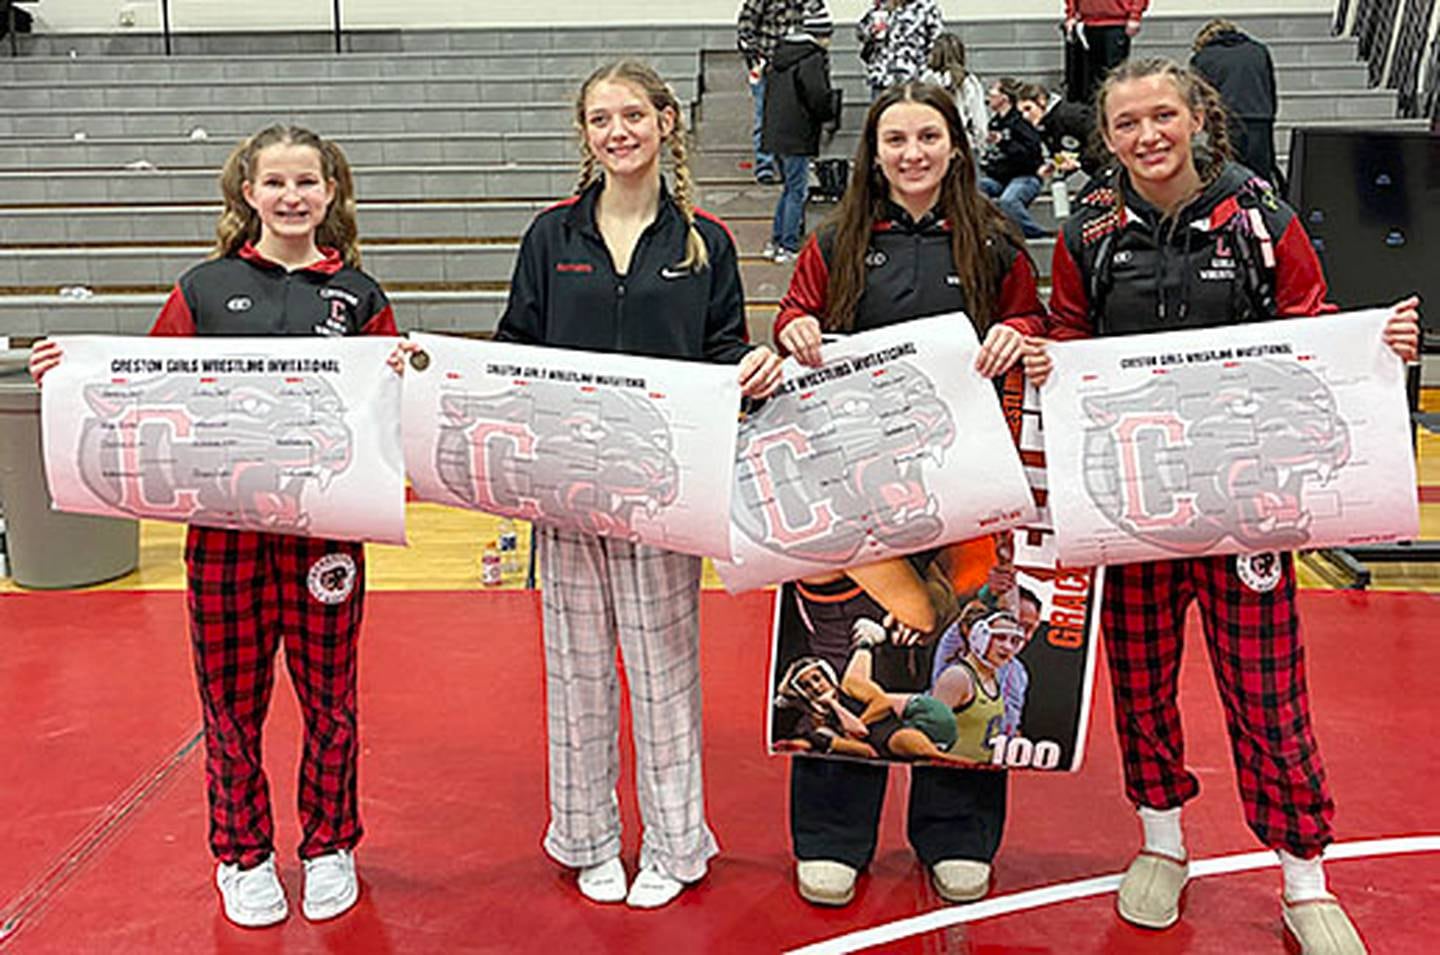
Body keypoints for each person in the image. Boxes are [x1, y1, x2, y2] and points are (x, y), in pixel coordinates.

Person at [1024, 57, 1421, 954]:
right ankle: (1160, 841)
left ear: (1198, 118)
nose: (1147, 137)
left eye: (1163, 116)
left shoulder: (1263, 220)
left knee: (1267, 695)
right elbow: (1069, 335)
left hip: (1248, 506)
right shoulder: (1087, 231)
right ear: (1108, 136)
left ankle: (1303, 874)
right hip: (1135, 507)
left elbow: (1313, 332)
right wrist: (1052, 356)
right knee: (1142, 684)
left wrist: (1379, 340)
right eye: (1127, 124)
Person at [29, 124, 405, 929]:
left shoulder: (361, 297)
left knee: (330, 702)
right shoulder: (202, 287)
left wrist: (411, 377)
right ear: (248, 194)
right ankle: (242, 854)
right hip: (223, 536)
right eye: (275, 183)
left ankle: (331, 842)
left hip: (324, 535)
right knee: (231, 704)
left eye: (307, 182)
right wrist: (68, 376)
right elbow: (146, 384)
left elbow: (392, 416)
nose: (292, 197)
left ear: (331, 193)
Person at [494, 59, 784, 910]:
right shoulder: (552, 236)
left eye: (632, 115)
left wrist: (750, 369)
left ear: (665, 123)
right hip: (569, 492)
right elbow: (518, 345)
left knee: (663, 672)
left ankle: (675, 839)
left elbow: (724, 348)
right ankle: (585, 837)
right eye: (599, 120)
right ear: (584, 135)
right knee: (578, 671)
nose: (617, 132)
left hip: (664, 488)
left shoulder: (705, 241)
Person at [772, 80, 1047, 909]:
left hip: (967, 489)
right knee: (836, 652)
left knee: (957, 646)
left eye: (928, 136)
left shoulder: (998, 241)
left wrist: (1022, 336)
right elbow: (794, 316)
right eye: (896, 139)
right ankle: (832, 837)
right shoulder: (840, 239)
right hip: (857, 484)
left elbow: (1038, 327)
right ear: (875, 152)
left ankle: (956, 834)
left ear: (956, 146)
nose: (913, 153)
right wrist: (795, 329)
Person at [761, 0, 839, 263]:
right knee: (797, 191)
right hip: (797, 134)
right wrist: (828, 114)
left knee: (788, 189)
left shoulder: (780, 56)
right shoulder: (812, 58)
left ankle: (775, 241)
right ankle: (789, 244)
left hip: (775, 134)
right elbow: (817, 96)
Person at [1190, 18, 1283, 190]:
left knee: (1228, 174)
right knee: (1261, 173)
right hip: (1260, 118)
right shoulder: (1258, 51)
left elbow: (1200, 94)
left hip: (1227, 119)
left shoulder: (1203, 57)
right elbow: (1269, 85)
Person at [738, 0, 804, 184]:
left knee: (791, 119)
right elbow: (745, 29)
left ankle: (785, 166)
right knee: (764, 116)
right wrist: (759, 60)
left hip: (794, 68)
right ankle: (765, 166)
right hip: (767, 68)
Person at [979, 77, 1048, 238]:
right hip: (999, 178)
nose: (989, 95)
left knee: (1008, 202)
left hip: (1025, 176)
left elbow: (1031, 155)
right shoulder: (995, 122)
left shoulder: (1021, 121)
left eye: (993, 91)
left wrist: (1005, 142)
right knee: (972, 190)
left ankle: (1033, 233)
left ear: (1004, 98)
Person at [1063, 0, 1148, 107]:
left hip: (1116, 24)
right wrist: (1071, 14)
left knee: (1113, 75)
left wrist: (1135, 16)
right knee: (1088, 78)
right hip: (1087, 23)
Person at [856, 0, 945, 99]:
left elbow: (937, 40)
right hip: (883, 78)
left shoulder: (926, 7)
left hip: (914, 80)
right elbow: (861, 33)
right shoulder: (881, 7)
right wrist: (873, 29)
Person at [923, 32, 988, 157]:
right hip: (963, 143)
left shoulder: (926, 80)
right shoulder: (969, 81)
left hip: (933, 142)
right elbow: (978, 118)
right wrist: (981, 146)